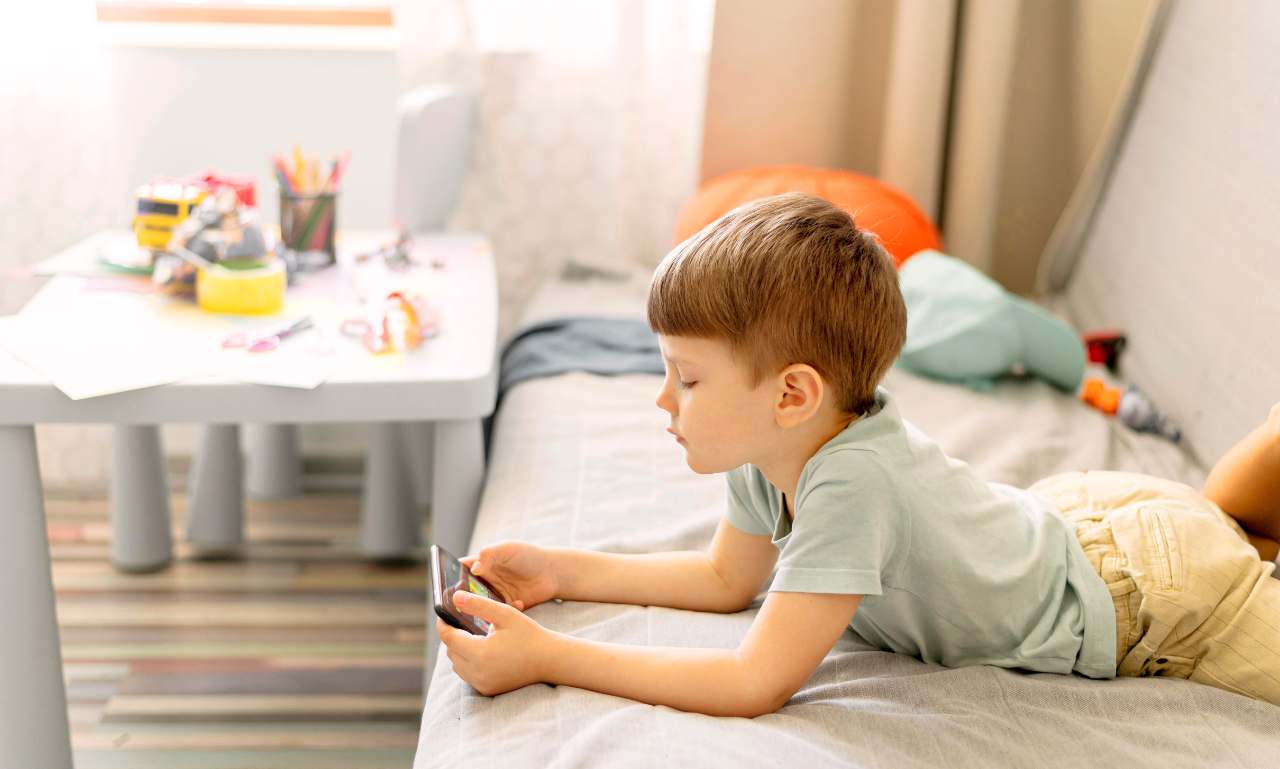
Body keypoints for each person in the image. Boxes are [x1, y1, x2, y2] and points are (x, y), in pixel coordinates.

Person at [436, 194, 1280, 716]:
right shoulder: (774, 444)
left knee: (1228, 553)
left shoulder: (851, 485)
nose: (663, 400)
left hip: (1145, 599)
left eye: (687, 379)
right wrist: (559, 569)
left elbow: (752, 682)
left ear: (792, 392)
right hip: (1091, 522)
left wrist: (546, 655)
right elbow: (728, 581)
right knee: (1226, 525)